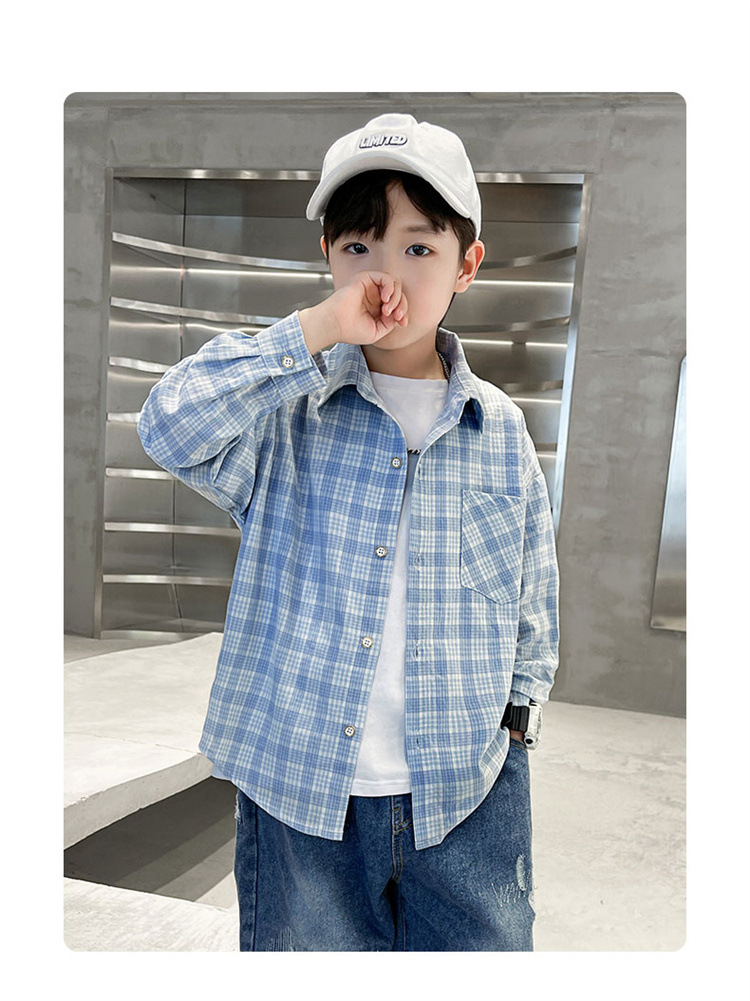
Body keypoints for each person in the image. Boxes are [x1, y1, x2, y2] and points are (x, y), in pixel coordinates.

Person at [137, 112, 560, 952]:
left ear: (467, 264)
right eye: (359, 246)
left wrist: (516, 723)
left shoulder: (500, 426)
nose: (384, 275)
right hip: (300, 795)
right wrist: (315, 330)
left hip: (466, 792)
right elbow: (167, 425)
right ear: (328, 258)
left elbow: (530, 588)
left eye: (417, 247)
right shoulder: (286, 412)